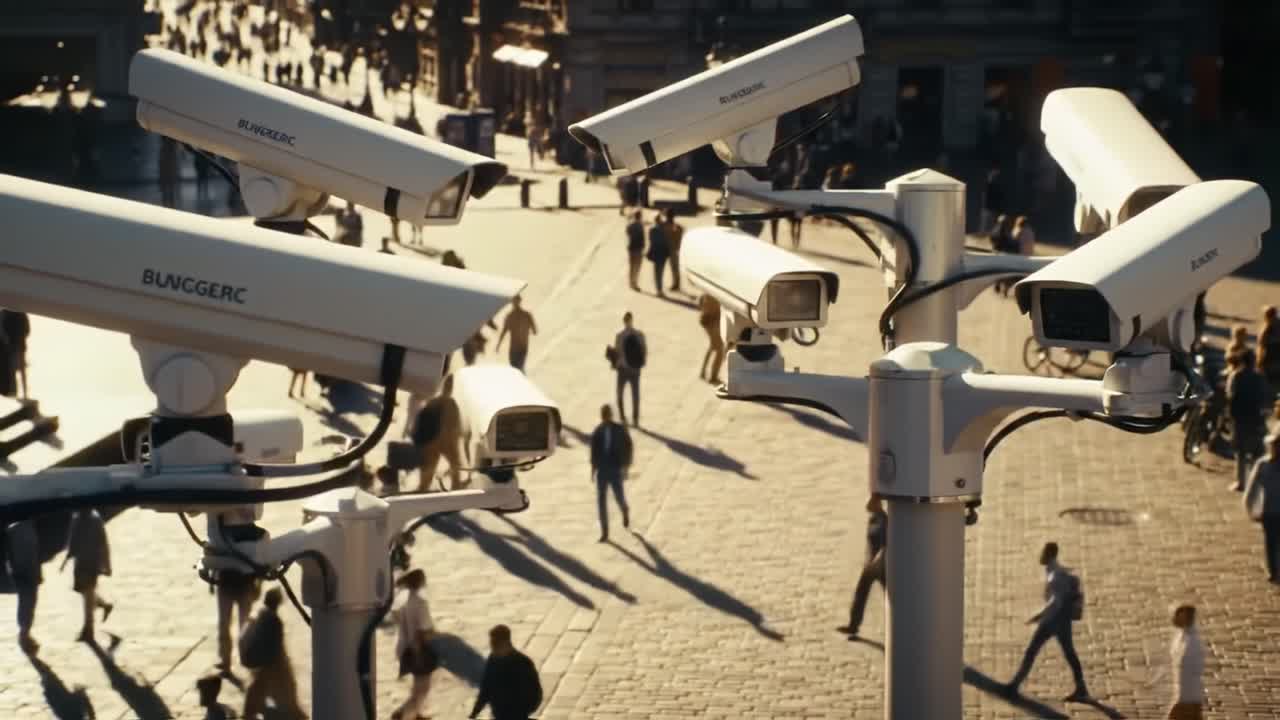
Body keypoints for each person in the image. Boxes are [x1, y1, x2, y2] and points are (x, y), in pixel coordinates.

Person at [1000, 542, 1090, 702]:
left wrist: (1039, 615)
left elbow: (1056, 602)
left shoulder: (1055, 576)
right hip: (1062, 620)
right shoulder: (1056, 571)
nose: (1040, 556)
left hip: (1053, 620)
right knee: (1069, 653)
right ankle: (1081, 688)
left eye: (1043, 553)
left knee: (1032, 651)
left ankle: (1014, 686)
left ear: (1049, 555)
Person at [241, 588, 306, 720]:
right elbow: (276, 648)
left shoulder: (258, 615)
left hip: (262, 668)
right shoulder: (273, 620)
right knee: (291, 706)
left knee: (253, 702)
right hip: (272, 669)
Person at [837, 496, 887, 639]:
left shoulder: (885, 520)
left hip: (882, 565)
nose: (868, 504)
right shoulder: (874, 518)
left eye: (871, 501)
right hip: (870, 565)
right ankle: (853, 625)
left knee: (889, 598)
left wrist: (878, 560)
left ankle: (897, 626)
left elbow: (887, 543)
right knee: (860, 594)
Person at [469, 624, 543, 720]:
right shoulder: (493, 660)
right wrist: (475, 711)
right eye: (491, 642)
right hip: (499, 714)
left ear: (505, 642)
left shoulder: (522, 663)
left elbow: (535, 693)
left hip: (516, 714)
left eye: (495, 643)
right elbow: (486, 687)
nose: (492, 646)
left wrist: (521, 711)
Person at [61, 508, 113, 643]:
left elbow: (102, 542)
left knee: (87, 594)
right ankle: (104, 604)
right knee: (85, 591)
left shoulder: (88, 519)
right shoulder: (82, 516)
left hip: (89, 562)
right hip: (84, 561)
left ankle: (88, 629)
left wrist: (106, 564)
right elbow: (74, 539)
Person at [392, 569, 437, 720]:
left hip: (404, 648)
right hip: (418, 651)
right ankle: (404, 716)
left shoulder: (405, 601)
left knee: (418, 688)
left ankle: (415, 715)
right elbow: (424, 631)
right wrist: (435, 634)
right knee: (422, 690)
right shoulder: (420, 603)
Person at [413, 374, 464, 492]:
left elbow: (421, 421)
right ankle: (455, 491)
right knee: (453, 465)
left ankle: (423, 491)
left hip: (434, 442)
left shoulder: (434, 402)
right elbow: (456, 427)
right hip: (440, 442)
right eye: (449, 386)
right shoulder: (450, 404)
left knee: (430, 471)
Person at [1227, 348, 1268, 492]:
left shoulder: (1236, 376)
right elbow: (1264, 399)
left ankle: (1241, 482)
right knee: (1257, 453)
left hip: (1240, 419)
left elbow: (1230, 397)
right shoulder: (1259, 376)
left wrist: (1230, 417)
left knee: (1241, 453)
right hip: (1256, 419)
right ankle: (1256, 482)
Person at [590, 404, 633, 542]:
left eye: (606, 415)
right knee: (601, 500)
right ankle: (605, 531)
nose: (605, 418)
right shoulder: (598, 431)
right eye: (603, 415)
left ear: (610, 415)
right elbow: (594, 450)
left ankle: (624, 509)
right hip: (602, 468)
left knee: (618, 496)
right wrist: (593, 468)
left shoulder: (619, 429)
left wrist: (626, 465)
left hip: (615, 467)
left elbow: (628, 445)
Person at [1244, 432, 1280, 583]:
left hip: (1272, 511)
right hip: (1270, 512)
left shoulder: (1264, 465)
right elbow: (1251, 491)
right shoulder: (1263, 465)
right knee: (1271, 544)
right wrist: (1251, 510)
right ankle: (1273, 571)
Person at [6, 520, 42, 654]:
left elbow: (36, 551)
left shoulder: (20, 527)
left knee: (28, 603)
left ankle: (25, 634)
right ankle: (24, 636)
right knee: (27, 603)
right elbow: (35, 552)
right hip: (25, 573)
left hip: (26, 572)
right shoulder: (19, 529)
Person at [216, 568, 260, 673]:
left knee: (244, 627)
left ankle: (246, 657)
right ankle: (226, 661)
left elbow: (259, 557)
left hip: (245, 584)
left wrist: (258, 583)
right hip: (225, 583)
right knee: (224, 625)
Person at [1167, 604, 1205, 720]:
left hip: (1188, 698)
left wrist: (1182, 698)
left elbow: (1192, 671)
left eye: (1178, 616)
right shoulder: (1181, 636)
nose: (1174, 618)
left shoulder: (1192, 642)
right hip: (1186, 696)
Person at [611, 312, 646, 427]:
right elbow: (644, 351)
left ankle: (622, 417)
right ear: (631, 320)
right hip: (635, 370)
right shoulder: (639, 335)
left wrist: (614, 362)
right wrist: (640, 365)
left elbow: (616, 353)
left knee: (620, 393)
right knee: (635, 395)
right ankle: (635, 419)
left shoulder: (619, 336)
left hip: (623, 369)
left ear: (624, 321)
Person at [496, 295, 538, 373]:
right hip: (520, 347)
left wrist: (498, 345)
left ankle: (521, 381)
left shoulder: (510, 316)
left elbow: (504, 332)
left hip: (517, 348)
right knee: (518, 370)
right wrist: (526, 331)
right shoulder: (527, 315)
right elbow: (535, 331)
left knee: (516, 370)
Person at [698, 294, 725, 385]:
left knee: (713, 346)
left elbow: (700, 301)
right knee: (719, 349)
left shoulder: (707, 292)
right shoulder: (713, 293)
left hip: (708, 319)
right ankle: (713, 376)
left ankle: (703, 371)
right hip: (712, 320)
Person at [646, 212, 670, 297]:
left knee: (657, 272)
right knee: (660, 272)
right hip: (663, 252)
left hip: (656, 252)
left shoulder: (652, 229)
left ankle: (658, 289)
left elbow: (651, 241)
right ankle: (659, 289)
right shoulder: (664, 228)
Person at [1257, 306, 1280, 392]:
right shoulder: (1267, 328)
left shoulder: (1266, 329)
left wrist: (1259, 361)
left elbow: (1261, 345)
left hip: (1270, 360)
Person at [663, 208, 685, 292]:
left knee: (674, 267)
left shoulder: (669, 226)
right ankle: (676, 283)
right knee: (674, 267)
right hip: (673, 249)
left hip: (671, 249)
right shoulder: (676, 226)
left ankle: (676, 284)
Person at [625, 210, 645, 291]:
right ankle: (635, 283)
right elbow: (642, 237)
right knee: (637, 266)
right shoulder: (640, 225)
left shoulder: (630, 225)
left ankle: (631, 282)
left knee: (632, 266)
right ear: (640, 216)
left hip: (631, 246)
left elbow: (627, 233)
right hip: (638, 247)